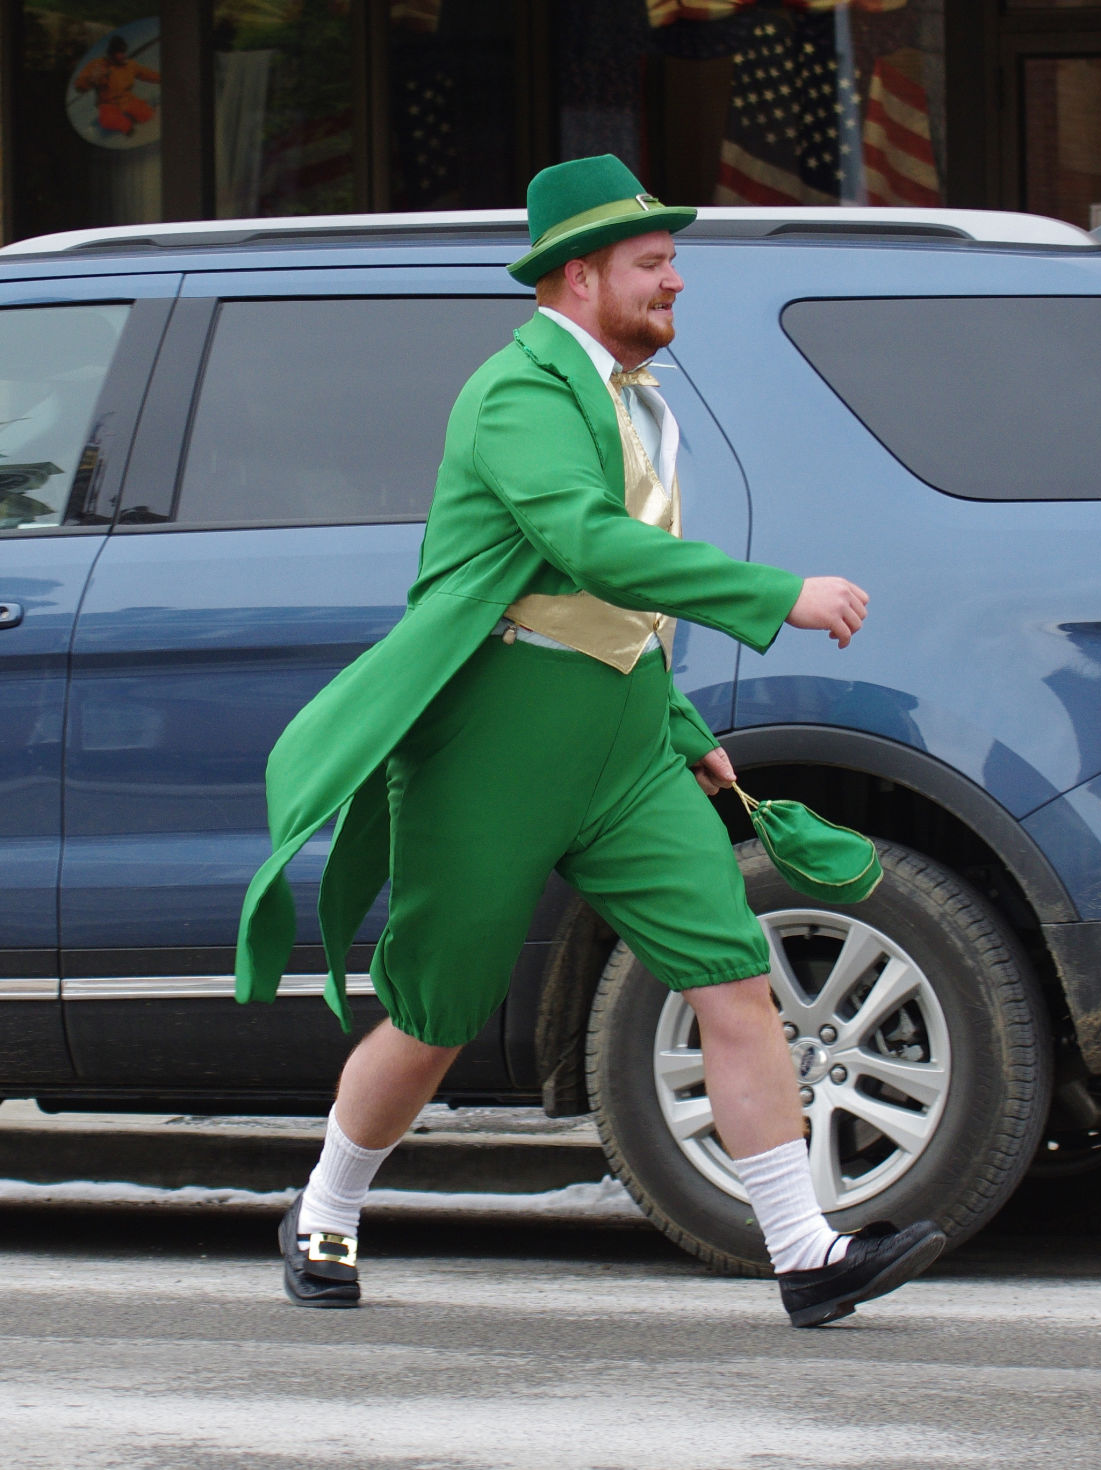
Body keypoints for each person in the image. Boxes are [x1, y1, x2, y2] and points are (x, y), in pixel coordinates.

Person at [235, 154, 944, 1328]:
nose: (676, 283)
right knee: (434, 1017)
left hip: (621, 746)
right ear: (578, 277)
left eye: (673, 262)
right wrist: (779, 596)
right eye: (653, 264)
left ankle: (805, 1251)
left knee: (730, 973)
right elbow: (585, 544)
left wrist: (678, 726)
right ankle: (326, 1207)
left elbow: (621, 609)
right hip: (492, 744)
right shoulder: (516, 394)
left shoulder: (628, 400)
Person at [74, 34, 159, 137]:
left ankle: (143, 115)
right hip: (107, 103)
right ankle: (127, 129)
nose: (120, 55)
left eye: (122, 52)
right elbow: (79, 86)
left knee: (148, 116)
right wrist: (91, 80)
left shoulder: (130, 65)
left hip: (127, 99)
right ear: (110, 53)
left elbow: (147, 74)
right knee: (108, 120)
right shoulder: (97, 65)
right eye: (117, 52)